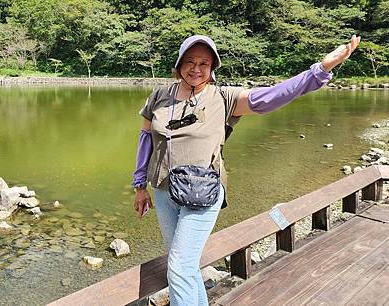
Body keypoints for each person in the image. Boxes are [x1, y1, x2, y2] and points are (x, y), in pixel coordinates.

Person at [132, 34, 361, 306]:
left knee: (179, 267)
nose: (196, 68)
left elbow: (275, 95)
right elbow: (146, 139)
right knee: (186, 264)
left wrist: (321, 69)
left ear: (213, 67)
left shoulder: (224, 98)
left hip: (202, 190)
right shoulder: (159, 96)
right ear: (179, 63)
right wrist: (139, 186)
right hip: (163, 189)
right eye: (190, 61)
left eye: (204, 63)